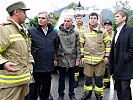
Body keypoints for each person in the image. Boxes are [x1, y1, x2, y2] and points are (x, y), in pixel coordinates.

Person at [0, 1, 33, 100]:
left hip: (23, 80)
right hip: (10, 85)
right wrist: (3, 63)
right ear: (16, 12)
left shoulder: (21, 30)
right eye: (24, 12)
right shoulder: (5, 30)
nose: (26, 16)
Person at [28, 11, 58, 100]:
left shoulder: (53, 33)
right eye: (39, 18)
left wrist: (55, 58)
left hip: (48, 66)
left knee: (46, 89)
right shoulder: (31, 31)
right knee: (33, 90)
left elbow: (56, 47)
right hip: (36, 65)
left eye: (43, 18)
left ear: (48, 20)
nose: (40, 20)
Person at [80, 12, 111, 100]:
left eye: (94, 18)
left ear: (97, 20)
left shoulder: (103, 31)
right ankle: (87, 94)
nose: (93, 19)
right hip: (87, 60)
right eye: (91, 18)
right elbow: (81, 45)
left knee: (99, 80)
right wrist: (82, 56)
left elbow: (108, 44)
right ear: (89, 19)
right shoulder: (84, 32)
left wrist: (106, 56)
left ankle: (99, 95)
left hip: (100, 61)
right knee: (87, 79)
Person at [109, 10, 133, 100]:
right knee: (118, 90)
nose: (115, 18)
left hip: (125, 67)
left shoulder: (130, 30)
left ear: (124, 18)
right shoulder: (116, 31)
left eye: (117, 16)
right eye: (115, 16)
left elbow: (132, 48)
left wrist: (125, 58)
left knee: (125, 90)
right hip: (116, 67)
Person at [56, 16, 81, 100]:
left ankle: (71, 93)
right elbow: (55, 46)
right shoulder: (58, 33)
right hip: (61, 58)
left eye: (68, 21)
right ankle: (61, 94)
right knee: (61, 78)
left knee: (72, 78)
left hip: (72, 59)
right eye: (64, 21)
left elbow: (78, 47)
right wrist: (55, 58)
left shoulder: (76, 33)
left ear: (72, 23)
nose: (66, 23)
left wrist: (78, 59)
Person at [74, 14, 86, 88]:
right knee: (76, 66)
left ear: (82, 19)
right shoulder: (73, 27)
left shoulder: (86, 27)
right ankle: (75, 80)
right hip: (75, 49)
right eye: (77, 18)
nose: (79, 19)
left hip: (85, 49)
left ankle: (86, 81)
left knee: (86, 66)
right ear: (75, 19)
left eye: (80, 18)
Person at [103, 20, 114, 88]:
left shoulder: (115, 33)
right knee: (105, 69)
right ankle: (106, 83)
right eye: (105, 25)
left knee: (114, 70)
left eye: (108, 25)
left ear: (111, 26)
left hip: (113, 55)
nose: (106, 26)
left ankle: (115, 83)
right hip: (105, 55)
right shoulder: (103, 33)